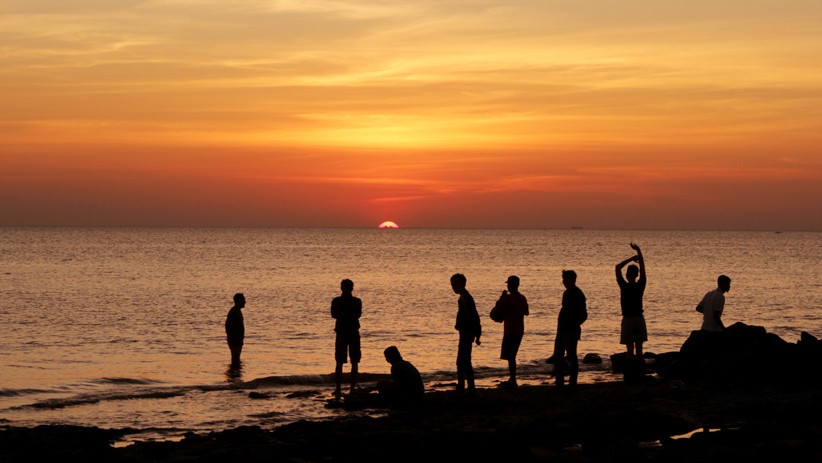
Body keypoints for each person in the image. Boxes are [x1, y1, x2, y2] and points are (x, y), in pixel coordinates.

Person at [552, 270, 587, 389]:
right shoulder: (566, 293)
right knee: (558, 355)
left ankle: (572, 382)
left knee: (571, 356)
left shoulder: (578, 294)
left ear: (573, 280)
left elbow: (583, 314)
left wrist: (575, 324)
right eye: (563, 279)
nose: (564, 282)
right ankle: (560, 382)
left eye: (566, 279)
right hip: (562, 329)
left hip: (570, 329)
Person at [493, 275, 529, 388]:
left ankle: (513, 379)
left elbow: (497, 307)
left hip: (510, 330)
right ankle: (512, 379)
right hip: (519, 330)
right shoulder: (522, 298)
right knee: (512, 355)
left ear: (512, 285)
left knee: (510, 356)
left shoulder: (507, 298)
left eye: (508, 284)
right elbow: (526, 312)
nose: (508, 286)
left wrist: (502, 297)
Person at [615, 243, 647, 360]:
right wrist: (638, 251)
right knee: (639, 348)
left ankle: (631, 370)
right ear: (637, 275)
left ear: (627, 275)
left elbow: (617, 267)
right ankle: (639, 370)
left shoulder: (624, 286)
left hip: (628, 318)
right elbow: (643, 267)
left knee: (630, 349)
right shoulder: (640, 285)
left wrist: (631, 259)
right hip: (639, 318)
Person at [451, 273, 482, 395]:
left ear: (461, 284)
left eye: (454, 284)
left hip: (466, 332)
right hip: (466, 332)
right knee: (465, 360)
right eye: (452, 284)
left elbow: (473, 316)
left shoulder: (465, 298)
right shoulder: (464, 297)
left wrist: (477, 333)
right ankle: (468, 385)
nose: (452, 287)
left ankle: (463, 386)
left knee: (462, 361)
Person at [331, 279, 362, 397]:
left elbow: (334, 314)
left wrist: (343, 316)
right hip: (353, 332)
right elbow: (358, 314)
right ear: (352, 288)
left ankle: (338, 389)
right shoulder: (356, 301)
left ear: (341, 288)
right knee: (354, 361)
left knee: (340, 361)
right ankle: (352, 388)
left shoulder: (337, 301)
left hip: (342, 332)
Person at [225, 293, 246, 370]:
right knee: (235, 359)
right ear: (238, 301)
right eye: (243, 300)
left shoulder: (237, 311)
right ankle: (234, 375)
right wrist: (232, 338)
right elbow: (228, 325)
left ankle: (236, 375)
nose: (245, 302)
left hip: (237, 340)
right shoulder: (234, 311)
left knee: (236, 360)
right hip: (235, 340)